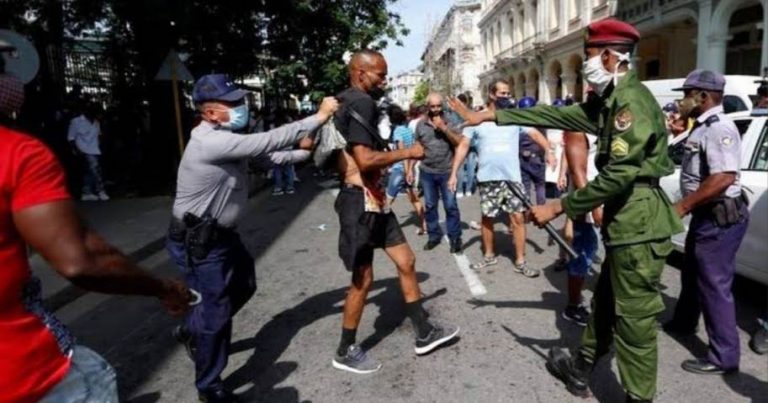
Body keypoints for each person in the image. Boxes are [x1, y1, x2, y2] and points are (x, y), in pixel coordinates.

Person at [448, 18, 683, 402]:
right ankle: (581, 367)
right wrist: (489, 116)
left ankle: (639, 398)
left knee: (635, 322)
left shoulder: (630, 103)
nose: (585, 64)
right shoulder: (610, 100)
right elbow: (555, 115)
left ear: (608, 57)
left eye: (588, 55)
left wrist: (560, 205)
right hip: (628, 220)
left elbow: (622, 173)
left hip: (639, 219)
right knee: (606, 303)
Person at [0, 72, 191, 403]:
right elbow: (81, 261)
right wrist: (163, 288)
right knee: (95, 379)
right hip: (26, 371)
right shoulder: (17, 153)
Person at [167, 73, 337, 402]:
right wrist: (319, 116)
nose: (241, 106)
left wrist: (303, 154)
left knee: (244, 286)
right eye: (232, 103)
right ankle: (209, 386)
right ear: (210, 112)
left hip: (222, 237)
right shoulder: (210, 142)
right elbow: (268, 141)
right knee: (216, 313)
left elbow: (268, 158)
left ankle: (193, 329)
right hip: (199, 241)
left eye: (239, 100)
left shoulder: (229, 137)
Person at [332, 49, 459, 374]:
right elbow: (365, 160)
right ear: (360, 73)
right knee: (363, 280)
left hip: (374, 199)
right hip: (359, 201)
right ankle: (345, 350)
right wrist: (409, 153)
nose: (385, 80)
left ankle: (424, 331)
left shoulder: (344, 100)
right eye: (380, 74)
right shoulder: (361, 102)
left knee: (406, 261)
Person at [662, 70, 749, 375]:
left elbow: (723, 177)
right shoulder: (701, 126)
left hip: (719, 218)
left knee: (714, 285)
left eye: (687, 94)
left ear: (702, 96)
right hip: (706, 215)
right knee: (692, 273)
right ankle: (684, 322)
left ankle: (724, 356)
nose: (682, 100)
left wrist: (683, 205)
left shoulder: (718, 127)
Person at [449, 79, 553, 278]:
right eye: (502, 93)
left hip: (512, 178)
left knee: (518, 219)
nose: (506, 97)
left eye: (508, 93)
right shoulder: (477, 119)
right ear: (491, 94)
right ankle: (489, 255)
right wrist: (454, 172)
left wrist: (548, 149)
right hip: (488, 178)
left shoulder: (513, 117)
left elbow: (534, 133)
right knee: (487, 218)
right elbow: (463, 146)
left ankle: (520, 261)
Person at [559, 129, 602, 326]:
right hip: (588, 201)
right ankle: (573, 306)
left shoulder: (606, 124)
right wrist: (593, 206)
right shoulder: (580, 128)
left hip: (606, 196)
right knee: (583, 254)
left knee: (600, 252)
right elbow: (578, 171)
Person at [416, 93, 465, 253]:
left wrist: (444, 128)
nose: (436, 109)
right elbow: (418, 146)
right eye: (433, 106)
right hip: (427, 171)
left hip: (447, 171)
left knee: (450, 206)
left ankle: (455, 238)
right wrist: (409, 168)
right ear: (427, 107)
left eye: (438, 106)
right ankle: (433, 236)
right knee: (430, 205)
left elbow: (459, 142)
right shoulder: (421, 124)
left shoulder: (449, 121)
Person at [385, 104, 426, 235]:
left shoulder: (397, 131)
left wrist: (406, 170)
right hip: (408, 170)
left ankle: (378, 228)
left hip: (400, 169)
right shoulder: (407, 130)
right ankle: (425, 225)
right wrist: (410, 170)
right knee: (414, 199)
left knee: (387, 201)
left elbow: (403, 152)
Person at [68, 101, 109, 201]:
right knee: (96, 170)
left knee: (89, 172)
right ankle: (100, 191)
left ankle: (87, 192)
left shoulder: (96, 122)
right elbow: (71, 138)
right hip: (83, 149)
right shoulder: (76, 121)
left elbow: (98, 135)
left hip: (95, 149)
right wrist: (77, 150)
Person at [517, 96, 551, 205]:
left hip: (522, 157)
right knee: (540, 185)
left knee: (525, 186)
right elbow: (544, 138)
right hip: (537, 157)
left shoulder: (518, 122)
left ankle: (526, 210)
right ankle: (541, 209)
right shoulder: (540, 121)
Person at [454, 94, 478, 198]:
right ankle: (468, 189)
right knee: (471, 168)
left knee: (460, 168)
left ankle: (459, 190)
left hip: (459, 143)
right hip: (471, 143)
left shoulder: (455, 113)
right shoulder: (471, 113)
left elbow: (454, 128)